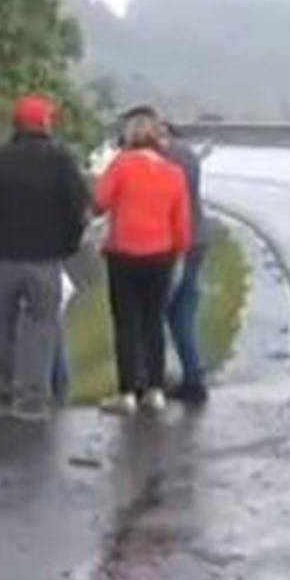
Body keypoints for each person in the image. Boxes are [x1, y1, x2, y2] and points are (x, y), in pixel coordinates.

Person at [0, 95, 88, 419]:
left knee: (0, 328)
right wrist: (67, 246)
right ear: (45, 123)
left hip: (3, 258)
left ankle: (0, 396)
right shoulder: (62, 162)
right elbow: (77, 210)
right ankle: (31, 401)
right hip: (45, 259)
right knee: (41, 329)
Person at [95, 108, 191, 415]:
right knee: (153, 322)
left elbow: (100, 202)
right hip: (161, 254)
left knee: (127, 323)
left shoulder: (121, 166)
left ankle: (128, 392)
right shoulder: (174, 173)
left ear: (130, 136)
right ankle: (155, 389)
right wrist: (179, 251)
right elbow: (182, 222)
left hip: (124, 253)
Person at [160, 120, 210, 405]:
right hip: (197, 239)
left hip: (171, 243)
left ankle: (150, 379)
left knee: (151, 313)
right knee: (184, 312)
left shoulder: (163, 158)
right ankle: (194, 377)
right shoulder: (188, 154)